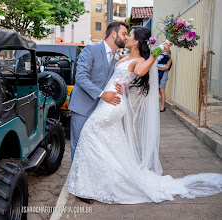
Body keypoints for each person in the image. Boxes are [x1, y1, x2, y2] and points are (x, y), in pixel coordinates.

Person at [68, 27, 222, 205]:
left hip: (112, 104)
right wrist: (125, 86)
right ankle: (96, 181)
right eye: (124, 33)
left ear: (136, 42)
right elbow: (122, 78)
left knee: (88, 135)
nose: (125, 37)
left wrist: (158, 51)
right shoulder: (123, 56)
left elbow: (140, 72)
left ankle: (87, 185)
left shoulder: (140, 59)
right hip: (108, 100)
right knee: (106, 145)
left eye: (129, 35)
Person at [68, 21, 129, 163]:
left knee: (94, 148)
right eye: (124, 34)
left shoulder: (117, 57)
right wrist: (103, 94)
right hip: (82, 107)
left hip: (101, 111)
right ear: (114, 34)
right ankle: (76, 182)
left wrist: (124, 87)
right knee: (79, 147)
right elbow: (81, 78)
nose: (126, 38)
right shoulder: (90, 50)